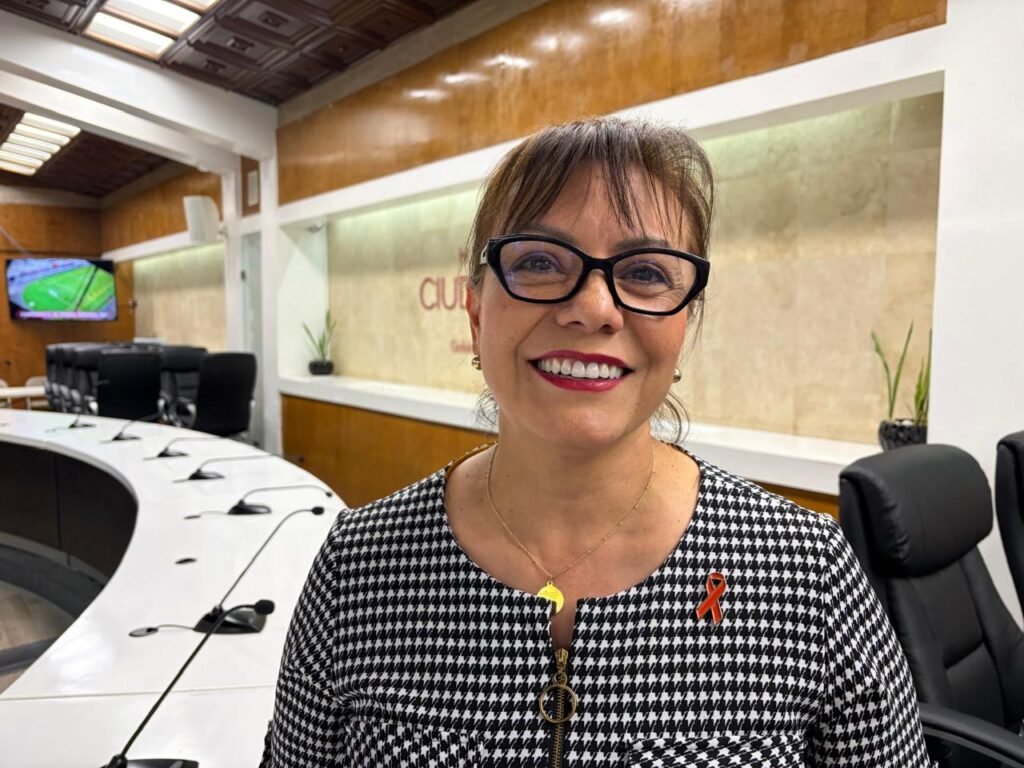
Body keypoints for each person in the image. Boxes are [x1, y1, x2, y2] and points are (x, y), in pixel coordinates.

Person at [260, 118, 932, 766]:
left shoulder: (804, 573)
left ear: (685, 323)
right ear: (476, 311)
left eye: (645, 273)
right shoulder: (358, 568)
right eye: (540, 261)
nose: (593, 308)